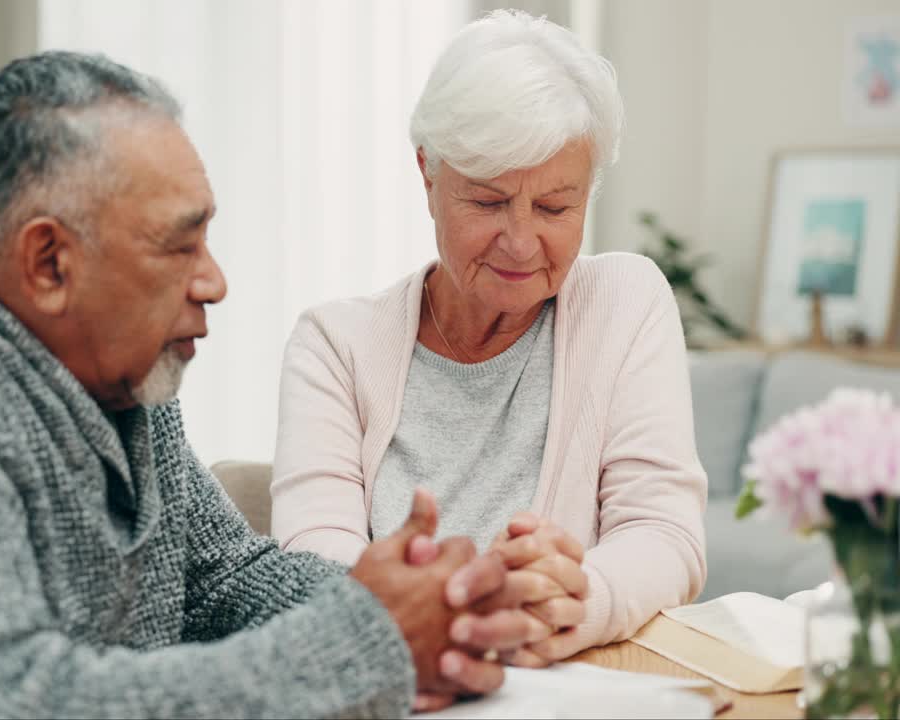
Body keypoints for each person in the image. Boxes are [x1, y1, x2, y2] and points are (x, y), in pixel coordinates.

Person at [0, 51, 538, 719]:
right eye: (178, 248)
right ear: (48, 264)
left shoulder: (124, 386)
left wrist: (431, 605)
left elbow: (225, 580)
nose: (215, 282)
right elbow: (18, 705)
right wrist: (369, 638)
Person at [271, 9, 707, 668]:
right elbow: (311, 556)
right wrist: (445, 615)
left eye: (556, 207)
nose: (522, 241)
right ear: (428, 175)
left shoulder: (626, 302)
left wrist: (579, 598)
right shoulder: (334, 344)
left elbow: (664, 532)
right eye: (487, 201)